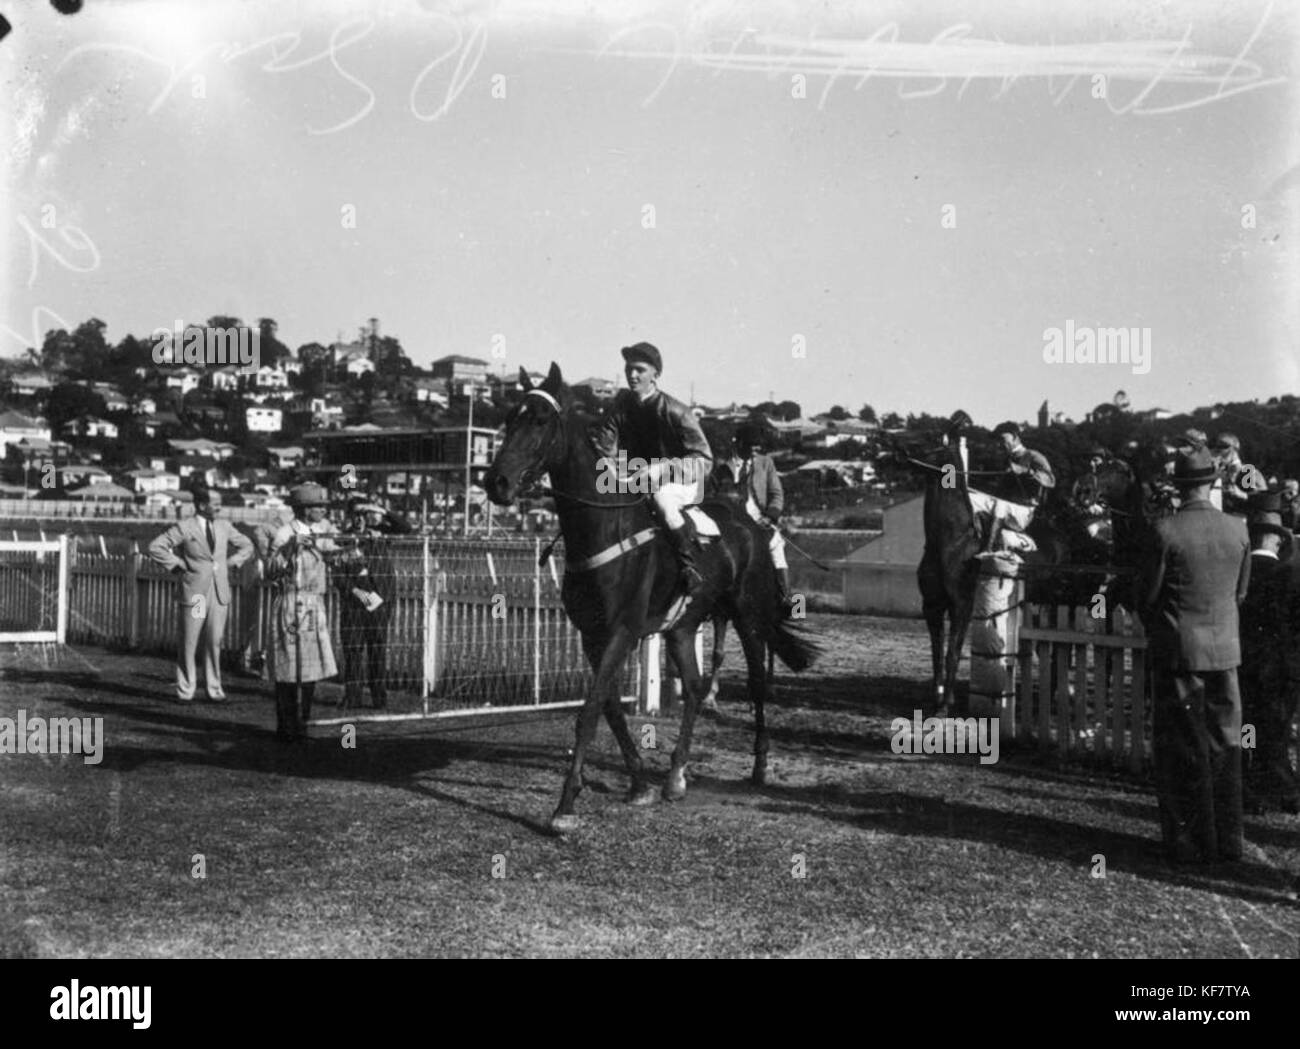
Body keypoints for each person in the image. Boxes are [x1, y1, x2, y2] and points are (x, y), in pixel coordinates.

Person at [1140, 446, 1252, 864]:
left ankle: (1187, 843)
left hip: (1179, 653)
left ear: (1178, 486)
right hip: (1226, 652)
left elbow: (1147, 596)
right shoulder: (1239, 529)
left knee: (1180, 748)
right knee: (1226, 746)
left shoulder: (1164, 531)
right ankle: (1228, 843)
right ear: (1212, 483)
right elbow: (1240, 593)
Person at [589, 342, 714, 594]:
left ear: (655, 374)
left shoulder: (677, 410)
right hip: (635, 479)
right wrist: (609, 471)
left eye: (639, 370)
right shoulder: (619, 410)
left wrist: (664, 469)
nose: (632, 375)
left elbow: (704, 460)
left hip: (678, 483)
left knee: (662, 499)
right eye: (628, 369)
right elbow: (605, 451)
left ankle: (689, 567)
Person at [266, 484, 357, 742]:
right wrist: (289, 549)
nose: (321, 511)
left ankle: (303, 722)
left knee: (310, 669)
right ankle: (286, 725)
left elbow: (335, 555)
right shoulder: (285, 533)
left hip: (313, 604)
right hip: (291, 602)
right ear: (304, 510)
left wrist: (351, 551)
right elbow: (271, 569)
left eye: (322, 507)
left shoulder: (321, 532)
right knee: (288, 667)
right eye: (317, 507)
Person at [147, 486, 254, 703]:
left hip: (219, 593)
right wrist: (178, 566)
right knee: (190, 640)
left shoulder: (224, 526)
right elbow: (156, 547)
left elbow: (247, 545)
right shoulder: (185, 527)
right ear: (201, 505)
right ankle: (186, 689)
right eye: (215, 503)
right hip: (196, 594)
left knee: (214, 640)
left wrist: (232, 562)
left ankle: (214, 689)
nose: (218, 507)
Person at [1238, 502, 1300, 813]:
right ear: (1278, 540)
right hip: (1282, 669)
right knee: (1277, 728)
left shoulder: (1240, 577)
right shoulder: (1292, 577)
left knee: (1247, 728)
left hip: (1245, 665)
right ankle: (1280, 785)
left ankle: (1250, 786)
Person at [712, 422, 794, 615]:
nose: (757, 450)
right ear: (739, 444)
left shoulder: (766, 463)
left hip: (759, 518)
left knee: (776, 545)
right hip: (730, 517)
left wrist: (771, 516)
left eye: (759, 446)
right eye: (752, 445)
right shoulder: (722, 465)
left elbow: (777, 494)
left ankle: (788, 598)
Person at [335, 497, 408, 709]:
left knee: (377, 649)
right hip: (354, 603)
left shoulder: (380, 533)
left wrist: (381, 510)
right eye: (356, 515)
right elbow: (337, 574)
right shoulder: (343, 538)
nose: (359, 519)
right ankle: (353, 696)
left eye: (363, 514)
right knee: (353, 649)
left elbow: (406, 527)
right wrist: (354, 591)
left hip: (380, 601)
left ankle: (379, 698)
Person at [978, 421, 1055, 555]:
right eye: (998, 441)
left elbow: (1051, 480)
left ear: (1014, 436)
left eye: (1003, 439)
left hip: (1025, 513)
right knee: (974, 498)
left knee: (1001, 505)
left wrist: (1026, 471)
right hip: (1007, 511)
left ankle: (988, 549)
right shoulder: (1006, 460)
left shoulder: (1033, 456)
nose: (1000, 444)